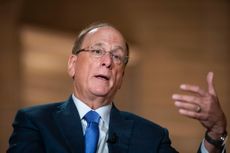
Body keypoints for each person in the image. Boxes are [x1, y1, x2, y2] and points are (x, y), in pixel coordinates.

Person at [7, 22, 227, 153]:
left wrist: (215, 133)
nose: (107, 61)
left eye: (117, 56)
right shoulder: (35, 122)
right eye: (97, 51)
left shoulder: (151, 137)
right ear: (73, 64)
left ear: (121, 77)